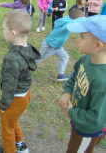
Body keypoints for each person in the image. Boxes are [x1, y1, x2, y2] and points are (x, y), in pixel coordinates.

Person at [0, 9, 41, 153]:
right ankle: (20, 146)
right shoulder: (27, 49)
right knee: (14, 120)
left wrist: (3, 105)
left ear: (13, 33)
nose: (3, 31)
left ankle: (11, 150)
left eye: (4, 29)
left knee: (7, 126)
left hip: (16, 98)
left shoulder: (12, 59)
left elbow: (10, 86)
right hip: (25, 94)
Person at [59, 15, 106, 153]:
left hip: (88, 130)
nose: (77, 40)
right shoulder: (86, 59)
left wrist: (72, 111)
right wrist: (67, 91)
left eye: (82, 37)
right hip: (78, 121)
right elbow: (74, 75)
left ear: (97, 45)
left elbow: (96, 118)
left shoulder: (102, 81)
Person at [36, 8, 85, 81]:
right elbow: (71, 24)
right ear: (77, 18)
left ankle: (60, 75)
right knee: (38, 59)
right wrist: (84, 19)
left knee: (65, 57)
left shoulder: (65, 20)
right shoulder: (68, 24)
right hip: (50, 45)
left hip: (56, 46)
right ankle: (23, 67)